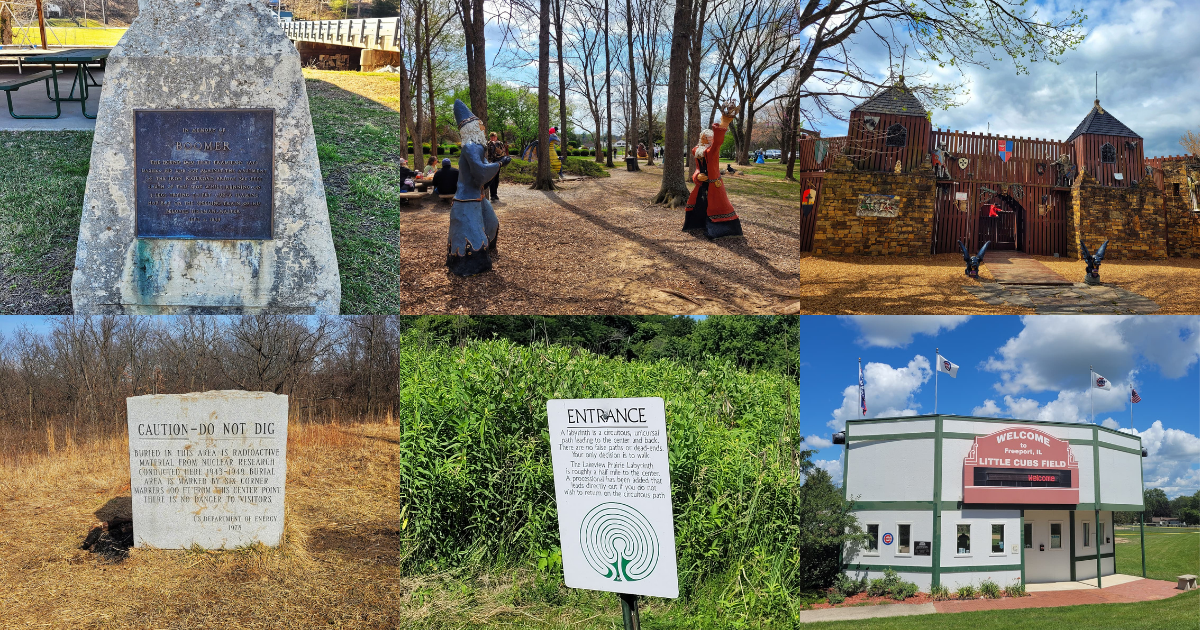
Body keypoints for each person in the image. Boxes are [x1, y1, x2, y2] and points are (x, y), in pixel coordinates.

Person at [446, 99, 511, 276]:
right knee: (473, 236)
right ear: (473, 128)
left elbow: (482, 174)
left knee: (491, 224)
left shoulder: (477, 148)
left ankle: (484, 252)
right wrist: (499, 165)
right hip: (467, 200)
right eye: (480, 126)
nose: (483, 129)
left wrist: (497, 164)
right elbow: (481, 172)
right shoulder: (471, 147)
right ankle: (470, 264)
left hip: (478, 197)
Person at [682, 99, 743, 239]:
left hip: (714, 184)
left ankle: (720, 230)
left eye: (709, 138)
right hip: (702, 185)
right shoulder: (696, 151)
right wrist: (697, 177)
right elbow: (697, 169)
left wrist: (724, 124)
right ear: (701, 138)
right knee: (698, 204)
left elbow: (717, 144)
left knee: (720, 206)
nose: (707, 140)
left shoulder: (712, 151)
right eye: (704, 138)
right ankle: (697, 224)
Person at [486, 132, 508, 201]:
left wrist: (500, 152)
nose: (493, 138)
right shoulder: (488, 143)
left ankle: (495, 193)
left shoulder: (499, 143)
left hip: (498, 162)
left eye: (494, 137)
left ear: (496, 137)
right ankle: (492, 195)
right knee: (492, 178)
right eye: (492, 137)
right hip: (491, 163)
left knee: (496, 178)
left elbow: (503, 152)